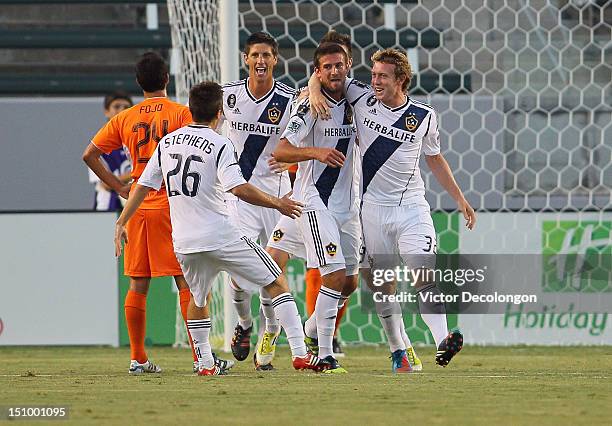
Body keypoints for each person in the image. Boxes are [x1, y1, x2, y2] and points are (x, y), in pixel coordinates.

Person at [114, 81, 329, 375]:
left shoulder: (167, 143)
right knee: (276, 281)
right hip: (221, 236)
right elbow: (238, 188)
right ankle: (300, 354)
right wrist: (278, 203)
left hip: (185, 243)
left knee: (198, 298)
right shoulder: (220, 143)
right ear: (219, 112)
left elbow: (142, 185)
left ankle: (204, 363)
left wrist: (121, 221)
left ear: (190, 110)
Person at [310, 48, 476, 371]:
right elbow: (324, 76)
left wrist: (459, 198)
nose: (374, 81)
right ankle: (398, 351)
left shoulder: (424, 116)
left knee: (423, 275)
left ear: (400, 79)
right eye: (372, 75)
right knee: (383, 285)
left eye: (382, 76)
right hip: (372, 210)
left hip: (412, 207)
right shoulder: (360, 98)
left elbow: (434, 158)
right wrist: (314, 89)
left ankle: (443, 340)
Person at [83, 52, 232, 375]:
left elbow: (89, 154)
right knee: (186, 282)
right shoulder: (180, 113)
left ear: (139, 83)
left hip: (137, 205)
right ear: (167, 79)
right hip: (173, 206)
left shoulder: (125, 118)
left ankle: (138, 358)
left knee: (138, 284)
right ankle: (200, 357)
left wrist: (118, 188)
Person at [269, 43, 362, 373]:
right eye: (327, 67)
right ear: (317, 71)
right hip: (314, 201)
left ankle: (310, 330)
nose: (334, 71)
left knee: (350, 282)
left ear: (348, 65)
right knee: (333, 275)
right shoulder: (310, 107)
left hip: (348, 206)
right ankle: (324, 353)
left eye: (339, 65)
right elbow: (280, 151)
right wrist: (315, 152)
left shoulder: (358, 100)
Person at [219, 32, 297, 369]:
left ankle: (271, 330)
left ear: (275, 59)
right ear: (245, 59)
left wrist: (295, 160)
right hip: (241, 198)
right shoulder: (229, 96)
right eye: (255, 56)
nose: (261, 61)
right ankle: (245, 324)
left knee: (274, 270)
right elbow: (206, 127)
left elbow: (305, 137)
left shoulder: (291, 99)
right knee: (239, 273)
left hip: (279, 199)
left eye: (267, 55)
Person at [88, 91, 133, 211]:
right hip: (108, 207)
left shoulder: (138, 141)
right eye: (117, 106)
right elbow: (106, 184)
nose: (122, 110)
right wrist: (138, 174)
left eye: (126, 107)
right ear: (106, 111)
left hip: (135, 206)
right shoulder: (98, 144)